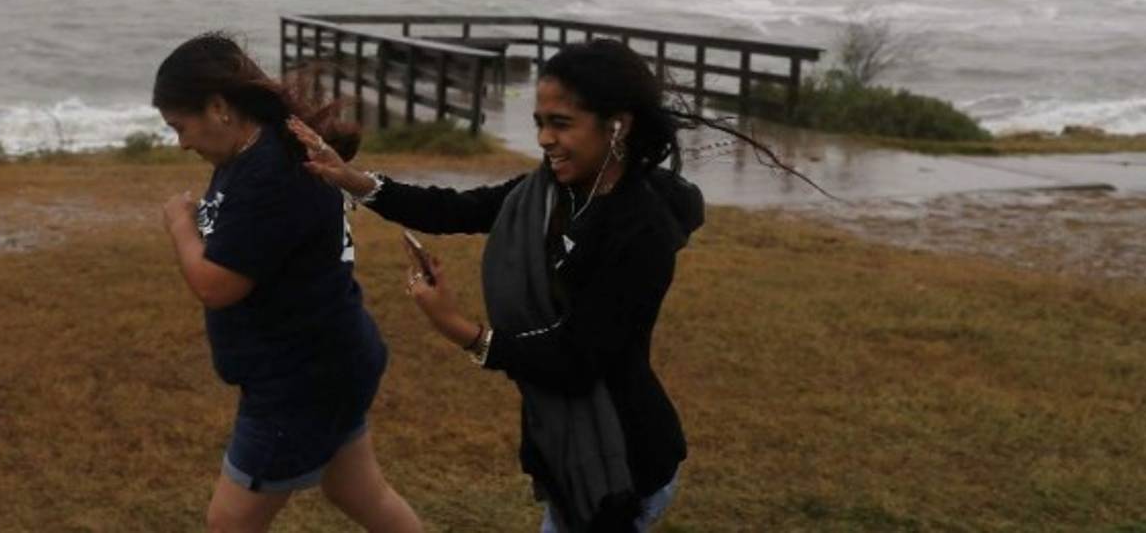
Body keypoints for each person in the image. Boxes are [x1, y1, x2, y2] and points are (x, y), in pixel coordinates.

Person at [291, 38, 793, 532]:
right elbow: (460, 209)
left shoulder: (641, 230)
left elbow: (578, 359)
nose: (545, 140)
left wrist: (464, 331)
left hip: (622, 459)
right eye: (539, 124)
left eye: (561, 124)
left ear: (617, 125)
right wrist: (352, 179)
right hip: (564, 446)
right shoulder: (551, 191)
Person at [154, 33, 422, 533]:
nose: (182, 142)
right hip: (328, 362)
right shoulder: (253, 152)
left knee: (228, 524)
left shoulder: (270, 173)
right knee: (356, 490)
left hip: (299, 382)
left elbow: (216, 285)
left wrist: (180, 226)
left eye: (180, 126)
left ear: (218, 107)